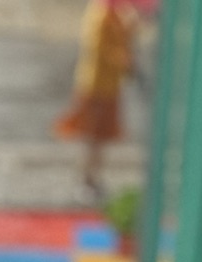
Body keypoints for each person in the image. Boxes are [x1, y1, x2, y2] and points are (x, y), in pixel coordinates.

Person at [55, 0, 138, 197]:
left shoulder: (115, 14)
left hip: (109, 86)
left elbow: (122, 43)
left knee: (100, 138)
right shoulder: (100, 14)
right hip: (95, 85)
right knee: (91, 136)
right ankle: (86, 179)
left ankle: (93, 178)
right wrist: (123, 60)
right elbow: (99, 48)